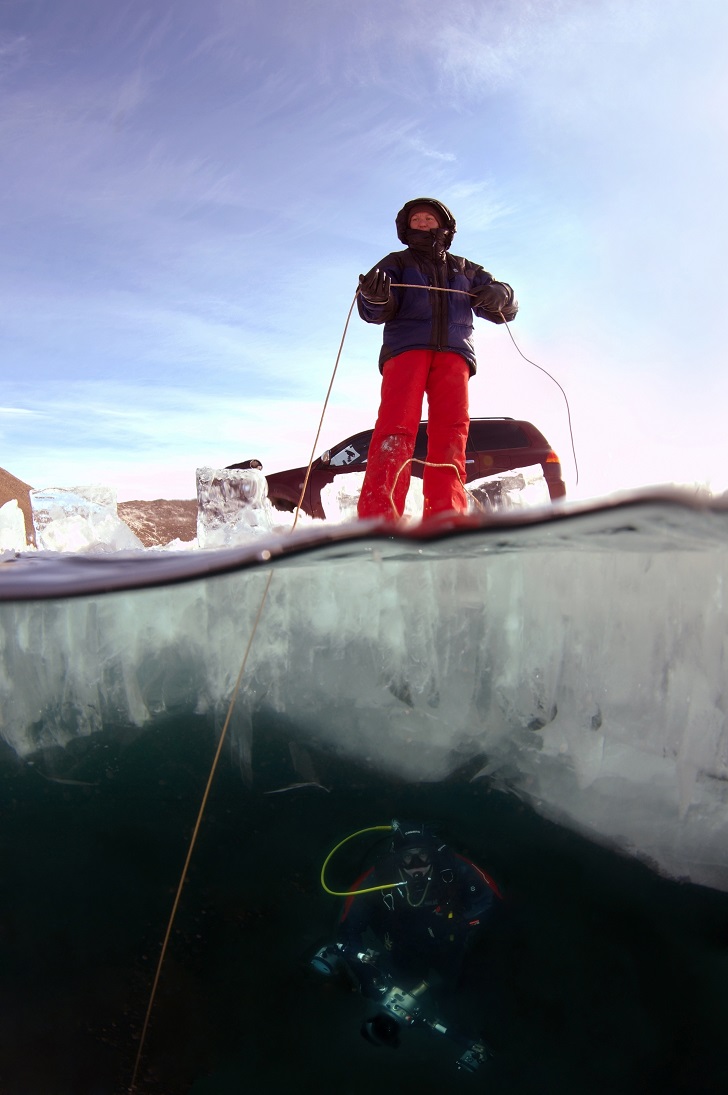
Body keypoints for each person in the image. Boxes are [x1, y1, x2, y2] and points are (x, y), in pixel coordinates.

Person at [356, 198, 518, 521]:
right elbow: (373, 307)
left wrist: (503, 294)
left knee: (451, 433)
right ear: (407, 227)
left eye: (430, 218)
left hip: (455, 355)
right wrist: (373, 296)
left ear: (444, 227)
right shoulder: (395, 263)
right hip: (406, 351)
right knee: (395, 428)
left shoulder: (463, 268)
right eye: (417, 219)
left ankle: (447, 515)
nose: (424, 222)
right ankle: (378, 517)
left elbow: (505, 303)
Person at [334, 819, 498, 1000]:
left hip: (450, 946)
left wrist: (462, 923)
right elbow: (348, 929)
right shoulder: (377, 880)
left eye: (422, 855)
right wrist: (367, 976)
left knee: (456, 989)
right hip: (401, 952)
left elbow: (491, 901)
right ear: (397, 859)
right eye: (408, 856)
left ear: (433, 855)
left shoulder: (452, 867)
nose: (416, 863)